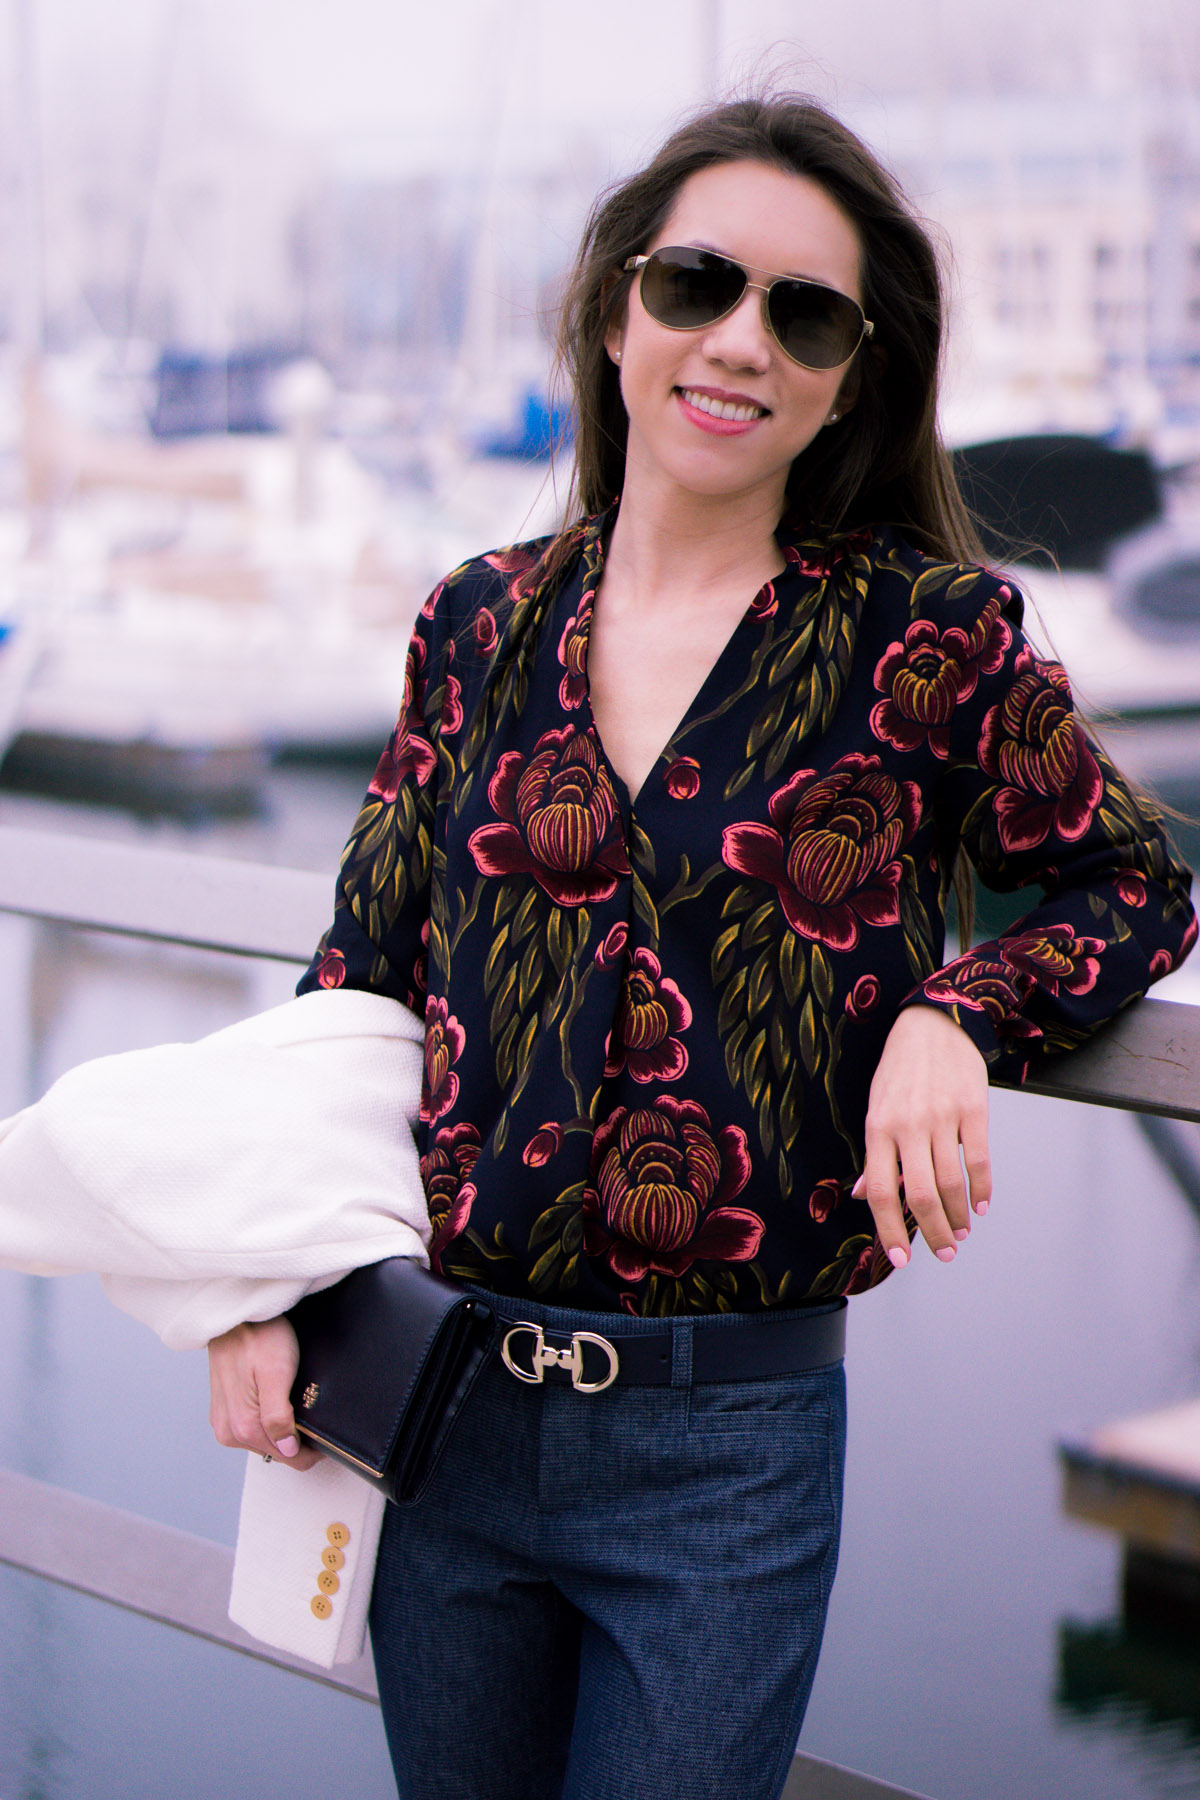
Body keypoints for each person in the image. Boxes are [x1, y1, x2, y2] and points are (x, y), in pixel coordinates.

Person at [207, 93, 1196, 1800]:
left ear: (847, 377)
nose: (740, 339)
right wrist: (260, 1288)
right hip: (438, 1399)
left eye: (802, 314)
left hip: (722, 1450)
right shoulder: (478, 620)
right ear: (617, 316)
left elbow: (1135, 882)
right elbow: (354, 982)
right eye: (698, 285)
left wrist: (954, 1013)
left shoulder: (926, 638)